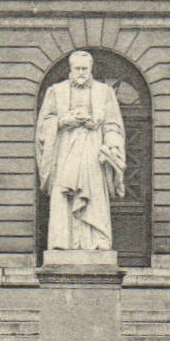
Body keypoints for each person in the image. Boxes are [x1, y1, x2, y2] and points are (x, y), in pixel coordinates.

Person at [35, 50, 126, 251]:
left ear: (91, 69)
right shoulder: (56, 91)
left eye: (85, 69)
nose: (82, 72)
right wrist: (62, 121)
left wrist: (112, 145)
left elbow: (113, 124)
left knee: (94, 194)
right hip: (65, 150)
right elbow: (43, 124)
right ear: (70, 69)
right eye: (78, 69)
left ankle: (97, 239)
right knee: (64, 194)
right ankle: (62, 241)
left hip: (93, 152)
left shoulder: (105, 92)